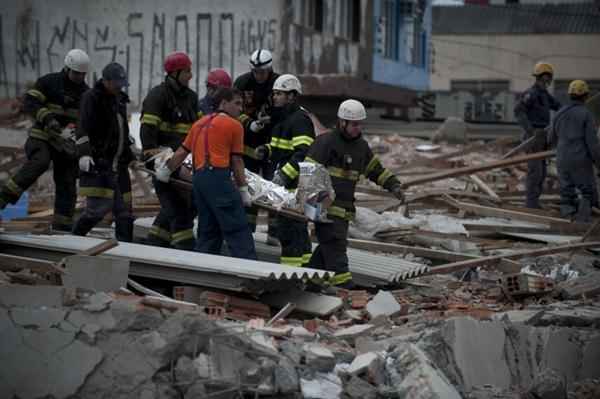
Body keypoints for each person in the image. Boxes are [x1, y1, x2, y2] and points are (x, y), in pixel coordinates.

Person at [306, 99, 405, 288]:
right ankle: (345, 285)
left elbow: (376, 170)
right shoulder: (326, 142)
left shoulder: (361, 147)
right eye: (354, 124)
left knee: (327, 248)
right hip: (325, 210)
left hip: (344, 210)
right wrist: (312, 210)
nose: (358, 128)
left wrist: (394, 185)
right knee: (335, 244)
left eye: (360, 124)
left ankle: (310, 281)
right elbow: (309, 174)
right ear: (342, 122)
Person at [155, 87, 257, 260]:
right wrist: (243, 189)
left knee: (208, 231)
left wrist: (166, 171)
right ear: (223, 103)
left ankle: (201, 274)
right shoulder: (235, 125)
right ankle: (252, 275)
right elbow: (237, 161)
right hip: (218, 179)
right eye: (237, 103)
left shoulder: (199, 123)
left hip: (199, 182)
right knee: (237, 228)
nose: (241, 109)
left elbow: (181, 152)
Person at [0, 49, 90, 230]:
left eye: (82, 74)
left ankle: (62, 228)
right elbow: (30, 102)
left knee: (67, 181)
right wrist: (48, 118)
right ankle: (3, 198)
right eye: (76, 73)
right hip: (42, 138)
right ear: (67, 68)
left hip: (65, 144)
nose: (79, 77)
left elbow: (86, 121)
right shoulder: (49, 83)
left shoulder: (86, 94)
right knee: (39, 162)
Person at [140, 52, 200, 249]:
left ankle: (155, 245)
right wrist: (157, 160)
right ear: (174, 73)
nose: (191, 76)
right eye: (187, 71)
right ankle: (188, 251)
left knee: (184, 207)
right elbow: (148, 135)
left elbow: (198, 131)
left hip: (185, 161)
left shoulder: (191, 98)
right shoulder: (158, 96)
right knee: (179, 210)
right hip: (163, 162)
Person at [255, 74, 314, 267]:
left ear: (292, 96)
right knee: (295, 231)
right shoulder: (282, 118)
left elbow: (303, 153)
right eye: (274, 94)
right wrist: (267, 149)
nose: (275, 97)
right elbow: (281, 147)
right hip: (286, 188)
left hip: (295, 188)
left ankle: (292, 273)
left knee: (290, 232)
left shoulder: (300, 119)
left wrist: (283, 175)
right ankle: (304, 271)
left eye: (279, 94)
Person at [72, 62, 135, 241]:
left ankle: (127, 252)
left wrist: (129, 156)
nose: (119, 88)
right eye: (116, 84)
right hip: (99, 164)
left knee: (124, 213)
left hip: (117, 166)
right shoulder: (91, 98)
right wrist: (84, 153)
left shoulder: (119, 100)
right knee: (96, 211)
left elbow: (122, 132)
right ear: (106, 81)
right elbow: (82, 127)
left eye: (121, 84)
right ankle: (74, 240)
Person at [234, 49, 279, 235]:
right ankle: (247, 229)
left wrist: (272, 120)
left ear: (269, 69)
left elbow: (286, 111)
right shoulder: (242, 83)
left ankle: (274, 233)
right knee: (249, 186)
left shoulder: (279, 83)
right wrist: (249, 124)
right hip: (248, 144)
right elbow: (234, 110)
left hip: (272, 145)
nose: (259, 76)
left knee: (274, 189)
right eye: (255, 72)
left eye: (262, 72)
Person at [548, 80, 600, 222]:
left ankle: (568, 220)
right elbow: (592, 144)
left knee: (567, 193)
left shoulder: (558, 114)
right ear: (586, 96)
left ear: (570, 95)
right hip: (580, 159)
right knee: (587, 192)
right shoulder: (586, 114)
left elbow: (551, 139)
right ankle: (582, 224)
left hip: (562, 158)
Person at [514, 62, 561, 209]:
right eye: (546, 78)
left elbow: (559, 107)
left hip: (543, 136)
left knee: (542, 173)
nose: (548, 81)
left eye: (549, 78)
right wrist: (530, 130)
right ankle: (531, 204)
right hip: (533, 137)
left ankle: (535, 201)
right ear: (541, 77)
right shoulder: (531, 94)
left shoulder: (545, 95)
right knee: (535, 171)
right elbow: (518, 112)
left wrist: (572, 108)